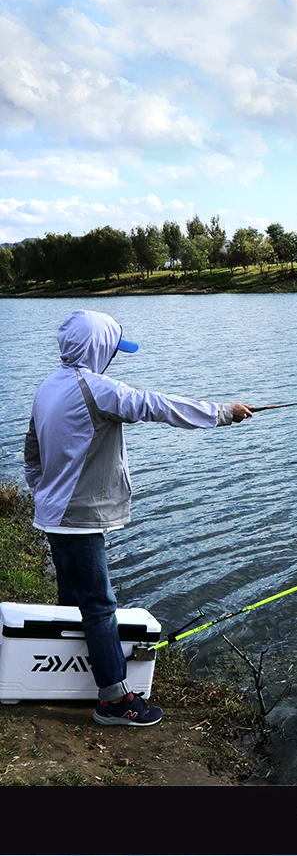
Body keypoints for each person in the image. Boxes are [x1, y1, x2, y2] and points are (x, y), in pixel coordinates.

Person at [23, 309, 253, 727]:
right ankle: (114, 700)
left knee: (74, 602)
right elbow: (155, 405)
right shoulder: (97, 388)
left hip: (53, 517)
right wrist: (222, 412)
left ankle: (65, 678)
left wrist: (43, 494)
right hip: (79, 518)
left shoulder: (47, 388)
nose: (113, 357)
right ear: (98, 348)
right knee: (99, 606)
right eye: (111, 349)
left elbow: (31, 453)